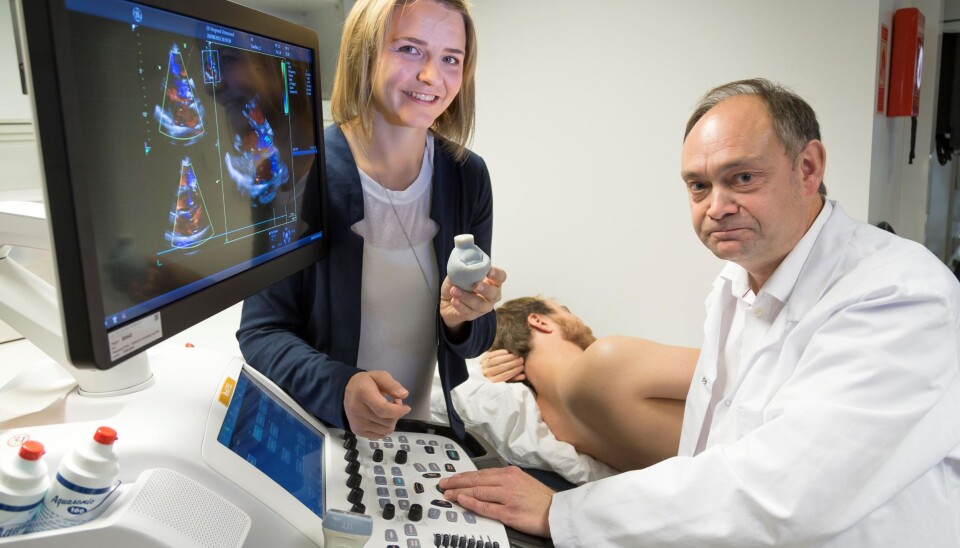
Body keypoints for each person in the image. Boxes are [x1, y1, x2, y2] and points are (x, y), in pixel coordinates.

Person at [439, 78, 960, 545]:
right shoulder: (733, 288)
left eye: (742, 179)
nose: (716, 206)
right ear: (541, 322)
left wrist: (567, 514)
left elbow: (789, 491)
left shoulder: (898, 292)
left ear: (808, 168)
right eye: (698, 186)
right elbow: (710, 457)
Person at [236, 0, 507, 441]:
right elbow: (261, 332)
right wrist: (340, 386)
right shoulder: (298, 169)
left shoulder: (467, 175)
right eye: (409, 49)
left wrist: (464, 316)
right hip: (315, 431)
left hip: (408, 436)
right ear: (364, 53)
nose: (431, 77)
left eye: (450, 59)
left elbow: (475, 340)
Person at [485, 296, 697, 471]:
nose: (580, 320)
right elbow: (728, 373)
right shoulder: (608, 358)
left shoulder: (554, 427)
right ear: (540, 321)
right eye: (565, 310)